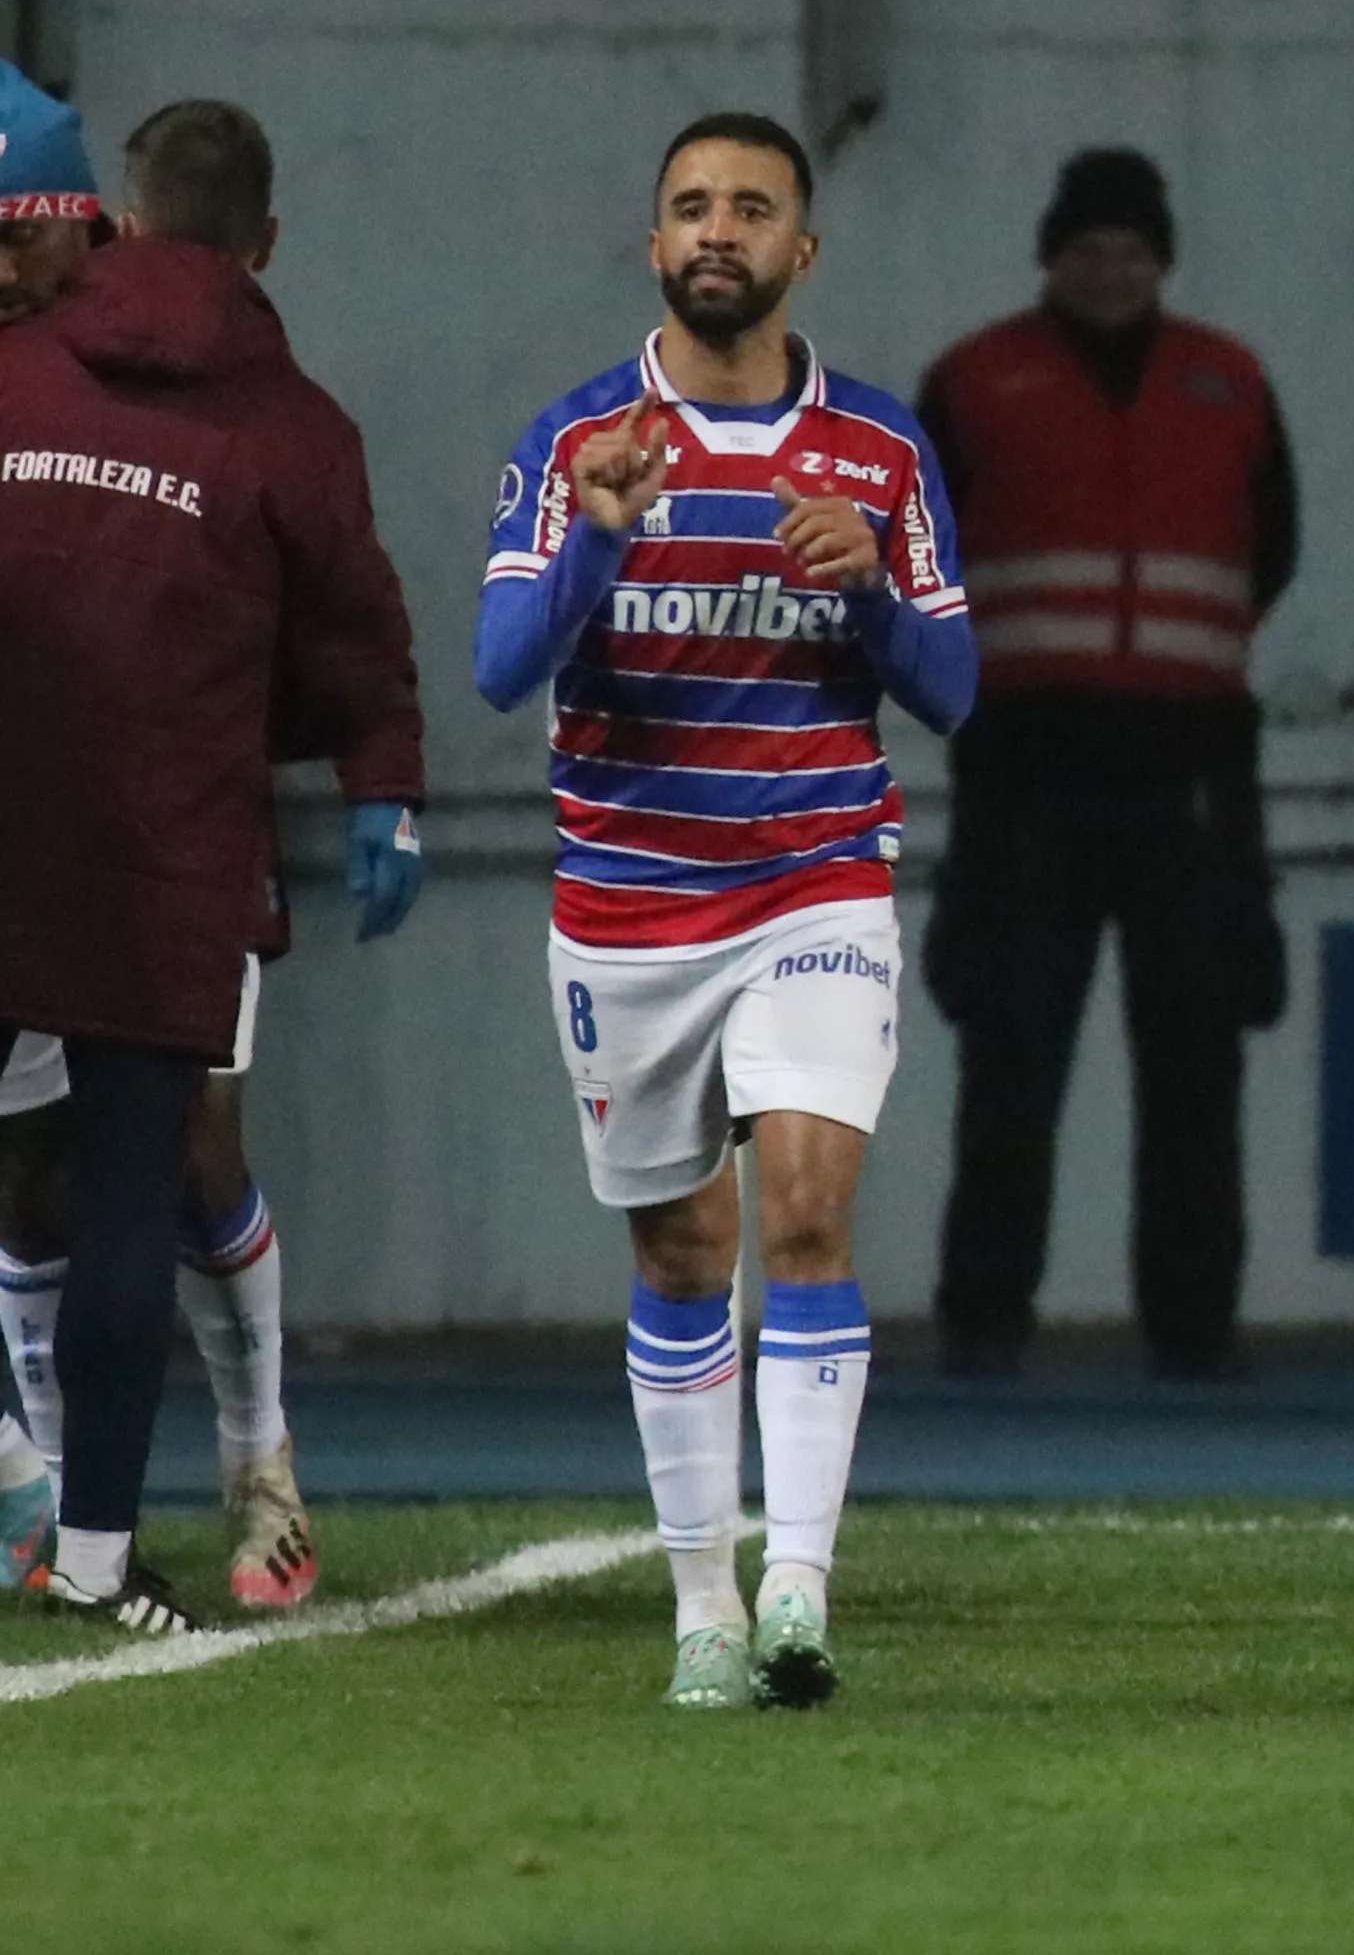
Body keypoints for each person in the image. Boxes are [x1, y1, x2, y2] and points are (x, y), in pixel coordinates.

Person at [475, 112, 976, 1710]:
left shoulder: (879, 451)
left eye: (751, 207)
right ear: (654, 244)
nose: (717, 230)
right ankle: (704, 1602)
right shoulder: (576, 442)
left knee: (810, 1211)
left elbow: (955, 690)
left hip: (814, 879)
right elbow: (500, 670)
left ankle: (798, 1591)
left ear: (800, 250)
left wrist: (870, 592)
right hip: (630, 905)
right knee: (687, 1253)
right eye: (691, 205)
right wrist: (599, 543)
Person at [0, 99, 428, 1615]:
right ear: (268, 242)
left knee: (128, 1175)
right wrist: (380, 785)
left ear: (110, 221)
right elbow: (354, 627)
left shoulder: (18, 365)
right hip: (173, 846)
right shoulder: (293, 424)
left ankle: (234, 1466)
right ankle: (86, 1543)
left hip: (26, 822)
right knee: (134, 1182)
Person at [919, 148, 1298, 1381]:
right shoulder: (976, 381)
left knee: (1196, 1064)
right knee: (1010, 1058)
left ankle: (1194, 1329)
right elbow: (916, 546)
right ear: (1051, 256)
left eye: (1132, 250)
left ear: (1161, 259)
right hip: (1025, 767)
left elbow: (1270, 545)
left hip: (1188, 769)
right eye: (1088, 249)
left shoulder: (1230, 384)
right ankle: (984, 1322)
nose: (1111, 270)